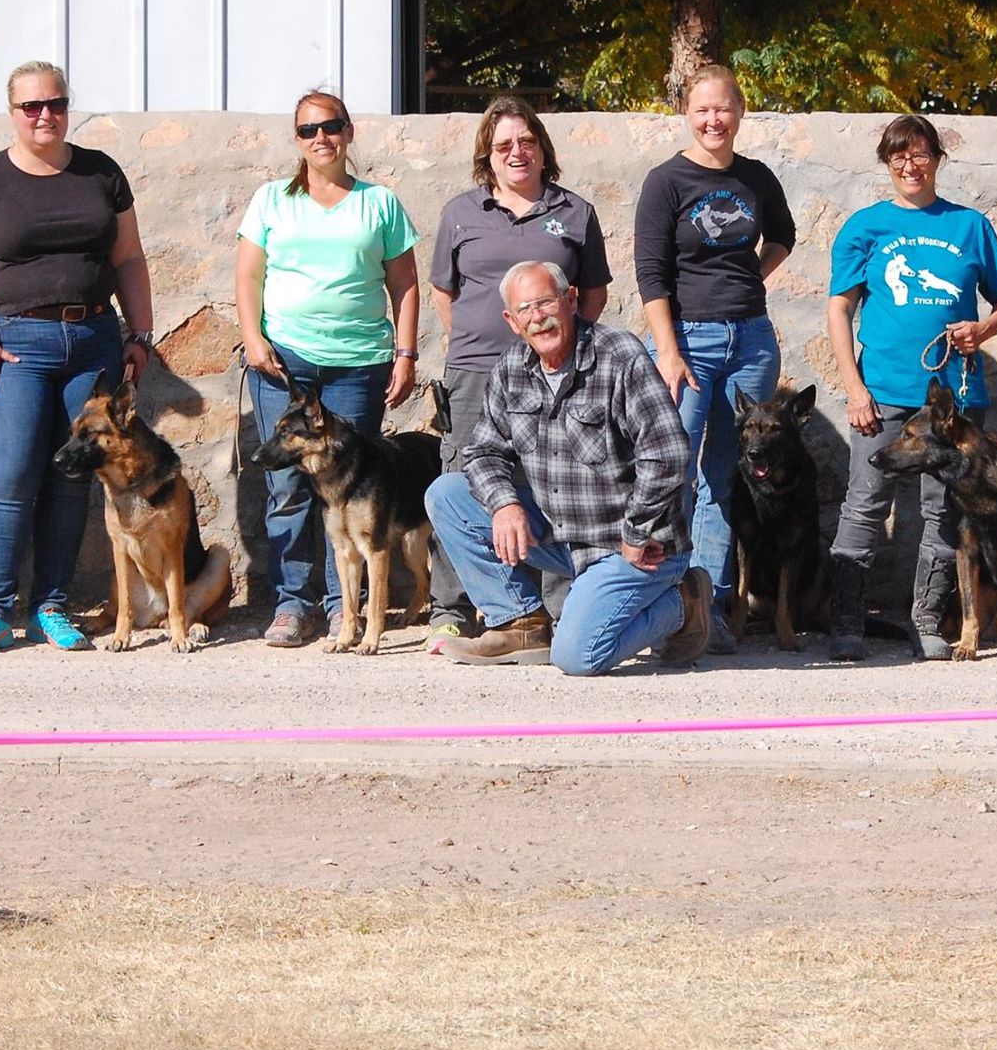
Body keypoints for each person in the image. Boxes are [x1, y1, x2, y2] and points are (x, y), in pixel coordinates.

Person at [0, 61, 153, 655]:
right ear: (12, 112)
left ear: (67, 106)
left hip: (92, 341)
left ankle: (51, 606)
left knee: (70, 481)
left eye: (55, 104)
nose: (44, 116)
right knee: (11, 479)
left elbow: (129, 259)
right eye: (31, 106)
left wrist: (140, 333)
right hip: (17, 346)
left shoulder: (100, 172)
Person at [424, 260, 709, 675]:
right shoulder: (511, 369)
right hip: (562, 536)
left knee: (579, 657)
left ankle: (683, 601)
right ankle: (519, 621)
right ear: (512, 321)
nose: (537, 317)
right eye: (525, 310)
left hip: (636, 546)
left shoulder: (619, 355)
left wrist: (636, 530)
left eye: (545, 302)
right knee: (447, 495)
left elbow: (667, 453)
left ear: (571, 300)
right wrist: (505, 505)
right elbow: (482, 452)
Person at [825, 114, 997, 660]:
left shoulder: (969, 226)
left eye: (919, 155)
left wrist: (981, 329)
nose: (910, 166)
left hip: (954, 405)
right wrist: (853, 386)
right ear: (888, 165)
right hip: (883, 391)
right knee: (864, 503)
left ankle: (928, 621)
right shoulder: (866, 227)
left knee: (945, 512)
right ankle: (846, 624)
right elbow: (839, 308)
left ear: (937, 158)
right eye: (898, 157)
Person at [236, 89, 420, 648]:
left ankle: (348, 609)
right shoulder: (271, 199)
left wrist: (406, 353)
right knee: (288, 484)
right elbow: (248, 277)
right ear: (297, 139)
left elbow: (404, 284)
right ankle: (295, 604)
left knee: (356, 487)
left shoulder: (380, 204)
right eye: (310, 129)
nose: (322, 137)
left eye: (332, 125)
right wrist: (252, 337)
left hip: (359, 363)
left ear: (349, 131)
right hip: (284, 360)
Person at [427, 95, 611, 651]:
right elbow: (443, 291)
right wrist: (478, 340)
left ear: (542, 148)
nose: (516, 152)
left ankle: (556, 607)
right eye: (503, 144)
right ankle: (454, 609)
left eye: (526, 142)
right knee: (461, 481)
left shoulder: (574, 211)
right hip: (474, 373)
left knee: (550, 483)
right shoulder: (461, 212)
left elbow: (594, 294)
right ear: (487, 153)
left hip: (551, 372)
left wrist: (550, 349)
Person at [634, 64, 796, 655]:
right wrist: (669, 351)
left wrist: (752, 275)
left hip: (751, 340)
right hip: (689, 343)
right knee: (673, 474)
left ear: (740, 110)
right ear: (686, 113)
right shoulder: (666, 181)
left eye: (723, 108)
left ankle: (712, 613)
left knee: (725, 479)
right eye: (702, 109)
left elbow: (784, 235)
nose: (713, 120)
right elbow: (650, 273)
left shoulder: (756, 178)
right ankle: (667, 608)